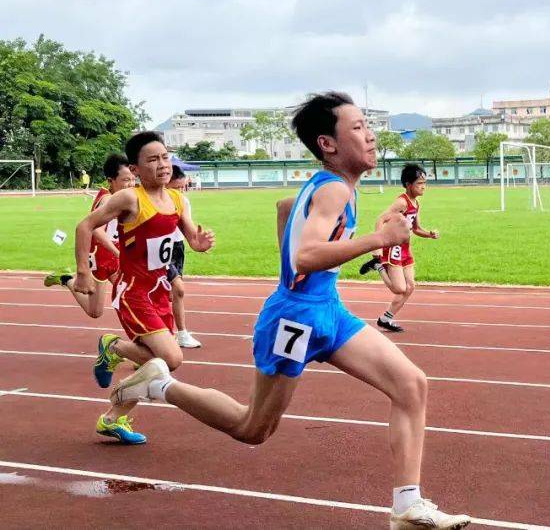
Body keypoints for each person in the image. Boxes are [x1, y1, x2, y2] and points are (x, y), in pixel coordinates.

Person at [108, 92, 471, 529]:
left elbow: (286, 210)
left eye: (368, 126)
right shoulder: (335, 188)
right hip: (293, 319)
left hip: (328, 311)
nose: (371, 136)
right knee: (252, 428)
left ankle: (407, 507)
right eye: (357, 128)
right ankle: (159, 386)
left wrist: (294, 272)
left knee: (412, 385)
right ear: (328, 144)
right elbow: (305, 254)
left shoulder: (330, 186)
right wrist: (378, 240)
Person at [72, 131, 216, 444]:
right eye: (153, 160)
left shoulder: (178, 199)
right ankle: (113, 347)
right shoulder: (129, 198)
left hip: (159, 292)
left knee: (154, 363)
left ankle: (112, 419)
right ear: (136, 170)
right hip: (134, 291)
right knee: (171, 358)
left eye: (165, 157)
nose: (163, 165)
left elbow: (191, 237)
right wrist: (83, 271)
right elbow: (85, 226)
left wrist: (200, 244)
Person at [45, 154, 135, 318]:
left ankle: (143, 334)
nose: (131, 184)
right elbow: (95, 229)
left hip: (116, 258)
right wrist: (117, 252)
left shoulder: (123, 198)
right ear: (111, 181)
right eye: (126, 180)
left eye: (133, 179)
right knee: (95, 311)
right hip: (100, 259)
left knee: (131, 296)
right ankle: (66, 279)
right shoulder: (108, 199)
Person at [358, 164, 440, 333]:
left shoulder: (415, 203)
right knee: (399, 288)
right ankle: (378, 266)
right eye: (419, 183)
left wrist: (429, 234)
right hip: (393, 247)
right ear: (409, 185)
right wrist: (377, 247)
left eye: (425, 182)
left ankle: (385, 319)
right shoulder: (401, 202)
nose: (423, 186)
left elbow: (416, 229)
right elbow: (380, 219)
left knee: (410, 286)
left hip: (405, 248)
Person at [166, 164, 201, 349]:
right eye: (175, 188)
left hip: (177, 247)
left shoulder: (183, 201)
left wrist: (197, 239)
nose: (180, 192)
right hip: (160, 249)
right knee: (178, 288)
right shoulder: (156, 200)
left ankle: (176, 333)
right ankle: (178, 332)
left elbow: (188, 226)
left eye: (182, 188)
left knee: (173, 294)